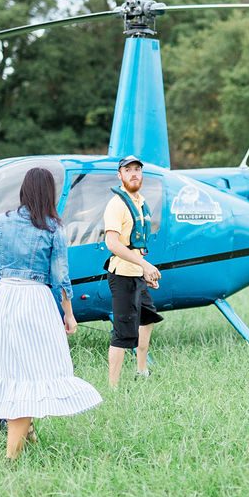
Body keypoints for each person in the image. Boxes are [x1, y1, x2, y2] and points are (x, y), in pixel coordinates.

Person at [0, 167, 102, 460]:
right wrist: (69, 314)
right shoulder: (52, 228)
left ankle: (27, 433)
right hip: (34, 299)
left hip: (3, 299)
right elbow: (60, 277)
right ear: (48, 193)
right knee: (36, 371)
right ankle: (11, 457)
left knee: (14, 370)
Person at [104, 155, 163, 388]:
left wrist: (145, 271)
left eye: (137, 169)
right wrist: (145, 266)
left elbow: (137, 243)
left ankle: (142, 370)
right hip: (122, 275)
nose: (134, 173)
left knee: (147, 318)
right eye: (128, 170)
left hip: (137, 272)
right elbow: (113, 243)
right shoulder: (117, 204)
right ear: (120, 175)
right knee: (123, 332)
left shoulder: (140, 201)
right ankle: (113, 387)